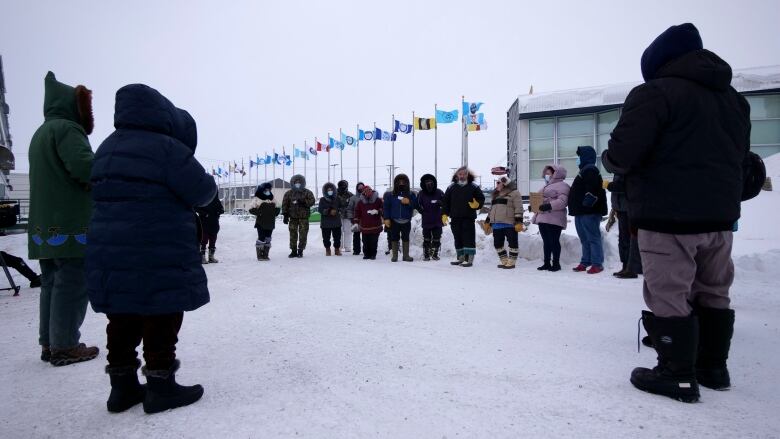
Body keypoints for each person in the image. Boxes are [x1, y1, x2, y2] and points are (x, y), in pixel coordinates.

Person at [602, 23, 750, 403]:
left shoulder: (655, 93)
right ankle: (713, 367)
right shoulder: (733, 99)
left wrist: (610, 157)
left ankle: (677, 375)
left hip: (668, 216)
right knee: (714, 289)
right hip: (719, 218)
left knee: (669, 291)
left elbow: (622, 155)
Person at [87, 83, 216, 413]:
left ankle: (122, 388)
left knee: (122, 316)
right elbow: (203, 192)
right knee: (162, 310)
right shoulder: (167, 149)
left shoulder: (105, 148)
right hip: (157, 247)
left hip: (110, 249)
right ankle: (161, 387)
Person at [28, 71, 97, 366]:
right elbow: (85, 168)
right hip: (70, 223)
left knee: (52, 282)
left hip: (45, 224)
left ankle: (50, 342)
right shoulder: (68, 129)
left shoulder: (41, 133)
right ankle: (66, 345)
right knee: (73, 282)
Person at [569, 146, 607, 274]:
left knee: (592, 237)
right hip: (581, 211)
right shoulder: (585, 170)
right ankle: (586, 261)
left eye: (579, 157)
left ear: (585, 157)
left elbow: (593, 188)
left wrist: (587, 203)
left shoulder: (590, 169)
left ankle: (597, 264)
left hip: (589, 212)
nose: (577, 159)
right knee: (584, 238)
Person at [442, 167, 485, 267]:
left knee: (468, 238)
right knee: (458, 238)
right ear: (457, 175)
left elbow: (481, 198)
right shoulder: (451, 188)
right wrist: (444, 214)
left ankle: (469, 259)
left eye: (464, 174)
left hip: (468, 217)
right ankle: (460, 258)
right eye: (460, 174)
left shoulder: (473, 187)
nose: (462, 176)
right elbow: (445, 202)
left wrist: (477, 204)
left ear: (467, 175)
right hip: (455, 217)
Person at [532, 165, 570, 272]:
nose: (547, 175)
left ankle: (556, 264)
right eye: (546, 173)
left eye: (549, 173)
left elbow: (563, 202)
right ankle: (547, 263)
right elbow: (537, 200)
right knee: (546, 241)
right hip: (542, 218)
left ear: (556, 174)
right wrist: (534, 206)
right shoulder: (545, 186)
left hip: (554, 218)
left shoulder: (563, 186)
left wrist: (549, 205)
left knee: (554, 241)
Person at [606, 174, 642, 278]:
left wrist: (610, 185)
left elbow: (626, 186)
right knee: (623, 239)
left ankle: (632, 268)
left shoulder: (628, 169)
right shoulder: (618, 171)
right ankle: (625, 266)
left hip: (629, 208)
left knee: (630, 239)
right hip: (621, 208)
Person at [486, 176, 523, 269]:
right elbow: (491, 209)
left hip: (509, 223)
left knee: (512, 242)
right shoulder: (496, 195)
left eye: (498, 183)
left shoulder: (514, 193)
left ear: (505, 183)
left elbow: (518, 207)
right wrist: (487, 221)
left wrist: (519, 221)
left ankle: (512, 261)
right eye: (496, 183)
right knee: (497, 244)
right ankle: (504, 260)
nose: (496, 185)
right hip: (496, 224)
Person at [383, 174, 418, 262]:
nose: (401, 183)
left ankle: (406, 256)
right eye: (399, 182)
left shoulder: (411, 195)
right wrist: (386, 218)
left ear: (407, 183)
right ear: (396, 183)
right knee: (394, 238)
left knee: (406, 238)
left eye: (403, 182)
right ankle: (395, 256)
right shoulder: (390, 195)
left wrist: (409, 202)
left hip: (406, 221)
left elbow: (415, 205)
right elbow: (386, 207)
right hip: (394, 221)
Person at [282, 174, 315, 258]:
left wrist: (303, 201)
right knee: (293, 234)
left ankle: (300, 250)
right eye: (296, 182)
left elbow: (312, 202)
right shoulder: (289, 193)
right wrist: (285, 215)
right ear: (293, 183)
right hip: (293, 217)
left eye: (299, 182)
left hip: (304, 218)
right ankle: (293, 251)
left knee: (303, 234)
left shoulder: (307, 192)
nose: (297, 183)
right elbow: (285, 204)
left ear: (302, 183)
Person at [249, 182, 280, 261]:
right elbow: (251, 209)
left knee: (268, 238)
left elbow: (278, 208)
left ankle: (265, 255)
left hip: (270, 222)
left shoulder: (272, 198)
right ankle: (260, 255)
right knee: (261, 238)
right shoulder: (257, 199)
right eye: (266, 190)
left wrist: (274, 213)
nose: (267, 191)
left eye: (269, 190)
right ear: (262, 190)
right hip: (261, 223)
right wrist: (260, 212)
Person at [416, 174, 444, 261]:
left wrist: (441, 202)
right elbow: (417, 204)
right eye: (427, 182)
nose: (429, 184)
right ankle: (426, 255)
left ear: (434, 183)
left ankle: (435, 254)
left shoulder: (439, 192)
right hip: (426, 220)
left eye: (431, 182)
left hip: (437, 220)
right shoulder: (421, 193)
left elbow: (446, 201)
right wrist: (421, 210)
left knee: (437, 238)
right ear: (424, 184)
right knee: (427, 239)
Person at [354, 185, 383, 260]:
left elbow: (383, 209)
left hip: (375, 225)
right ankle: (366, 254)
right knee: (365, 242)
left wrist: (377, 211)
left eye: (369, 190)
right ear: (363, 193)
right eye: (365, 191)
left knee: (373, 242)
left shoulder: (378, 200)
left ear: (371, 190)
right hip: (364, 226)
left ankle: (373, 254)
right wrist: (356, 222)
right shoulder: (360, 202)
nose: (367, 192)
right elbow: (357, 212)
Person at [195, 193, 224, 264]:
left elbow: (222, 209)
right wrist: (205, 214)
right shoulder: (203, 199)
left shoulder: (216, 200)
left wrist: (218, 212)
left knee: (213, 240)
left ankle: (211, 257)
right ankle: (202, 257)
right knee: (203, 240)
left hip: (214, 223)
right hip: (204, 223)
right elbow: (196, 208)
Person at [318, 182, 343, 256]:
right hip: (326, 223)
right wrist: (328, 211)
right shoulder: (322, 200)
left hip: (336, 222)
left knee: (337, 238)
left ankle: (337, 249)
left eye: (331, 190)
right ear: (325, 191)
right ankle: (327, 249)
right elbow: (320, 210)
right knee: (326, 238)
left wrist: (337, 211)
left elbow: (342, 207)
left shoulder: (337, 198)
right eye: (328, 190)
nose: (330, 191)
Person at [346, 182, 365, 255]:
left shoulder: (367, 196)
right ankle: (356, 250)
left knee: (365, 235)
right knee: (356, 235)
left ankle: (366, 250)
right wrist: (351, 218)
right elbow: (350, 209)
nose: (360, 188)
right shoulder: (353, 198)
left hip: (365, 219)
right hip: (356, 219)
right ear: (357, 188)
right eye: (359, 187)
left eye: (362, 187)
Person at [336, 180, 354, 254]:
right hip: (338, 216)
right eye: (341, 185)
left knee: (348, 232)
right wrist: (339, 209)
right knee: (338, 232)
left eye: (344, 185)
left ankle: (348, 247)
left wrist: (347, 210)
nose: (343, 186)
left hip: (347, 216)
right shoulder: (335, 194)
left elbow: (353, 204)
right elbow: (334, 204)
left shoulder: (350, 195)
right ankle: (339, 247)